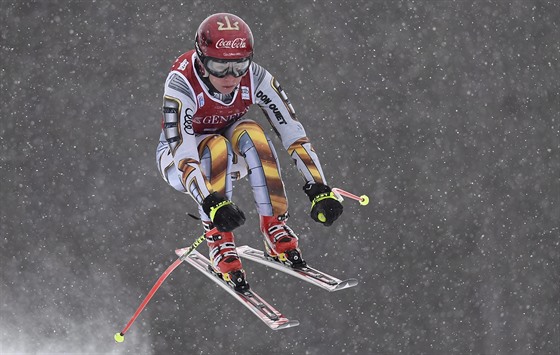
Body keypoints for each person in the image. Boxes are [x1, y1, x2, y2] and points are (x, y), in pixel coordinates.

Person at [156, 13, 343, 292]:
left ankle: (273, 225)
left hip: (230, 158)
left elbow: (291, 132)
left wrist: (319, 186)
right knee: (215, 146)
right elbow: (184, 155)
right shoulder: (182, 82)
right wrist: (210, 201)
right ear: (202, 61)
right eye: (219, 66)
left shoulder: (255, 78)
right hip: (179, 161)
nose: (231, 77)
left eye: (239, 65)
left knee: (253, 132)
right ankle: (219, 242)